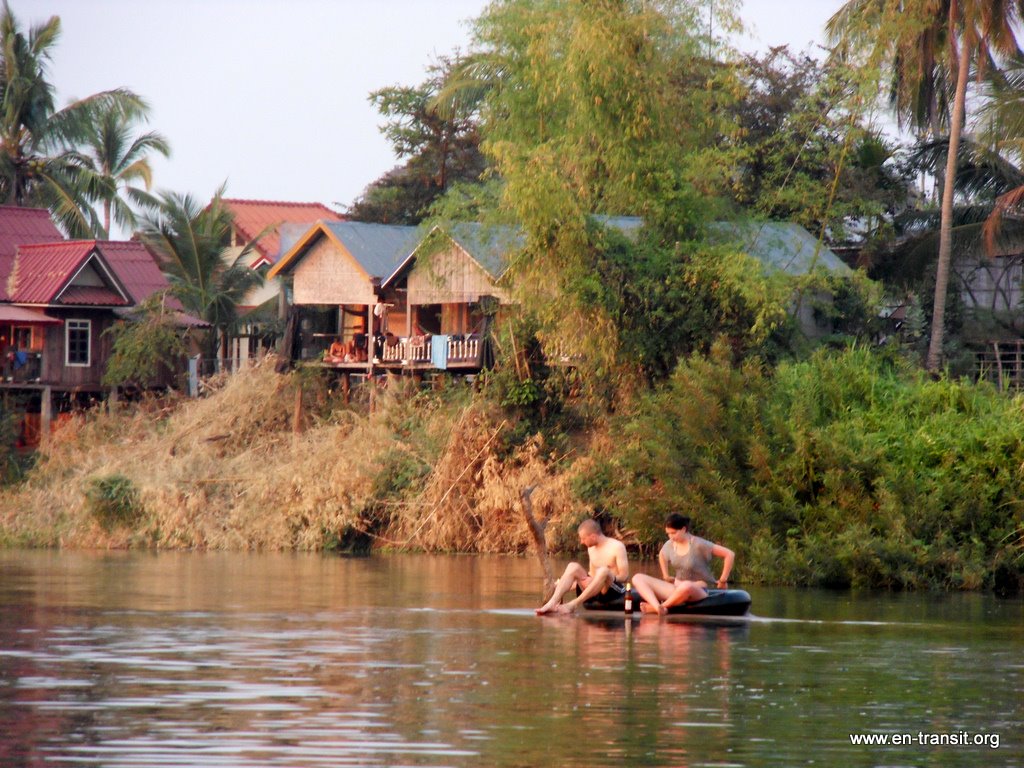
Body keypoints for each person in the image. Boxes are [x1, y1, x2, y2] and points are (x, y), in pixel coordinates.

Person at [632, 513, 734, 616]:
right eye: (668, 534)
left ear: (684, 529)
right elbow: (662, 555)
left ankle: (660, 607)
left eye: (673, 533)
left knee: (686, 586)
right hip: (676, 588)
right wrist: (666, 575)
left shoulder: (699, 544)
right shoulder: (670, 544)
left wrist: (723, 579)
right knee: (637, 578)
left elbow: (729, 554)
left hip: (697, 590)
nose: (671, 537)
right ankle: (656, 606)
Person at [535, 518, 629, 615]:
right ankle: (552, 603)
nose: (581, 542)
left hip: (611, 590)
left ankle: (573, 604)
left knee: (603, 570)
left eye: (583, 539)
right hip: (595, 590)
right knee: (573, 566)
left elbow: (625, 576)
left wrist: (604, 576)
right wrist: (563, 584)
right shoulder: (591, 548)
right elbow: (591, 576)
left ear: (593, 536)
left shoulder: (617, 547)